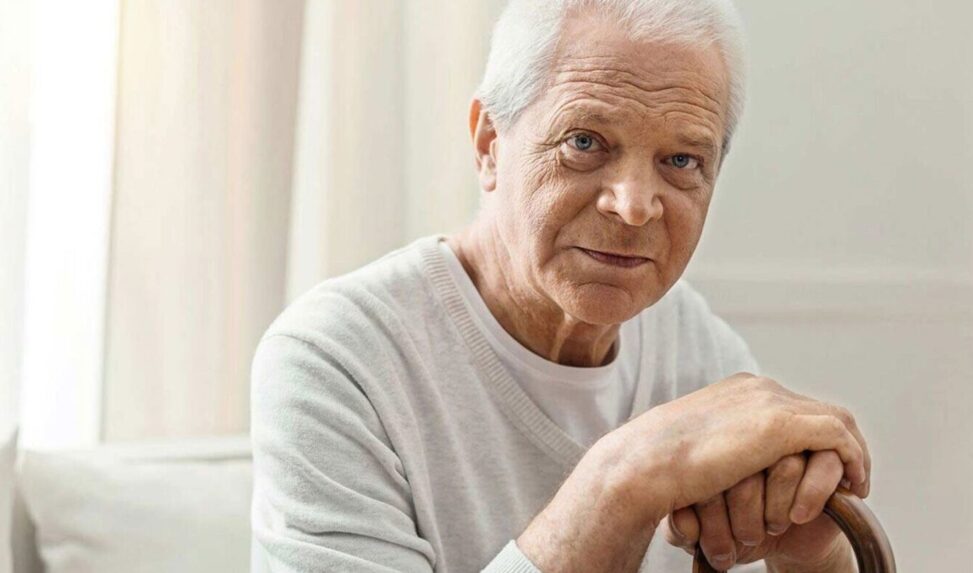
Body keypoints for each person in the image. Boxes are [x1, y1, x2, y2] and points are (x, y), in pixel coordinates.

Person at [250, 0, 872, 571]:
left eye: (681, 161)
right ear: (490, 144)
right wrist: (620, 479)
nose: (633, 206)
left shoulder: (695, 346)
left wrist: (814, 557)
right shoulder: (333, 361)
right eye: (584, 142)